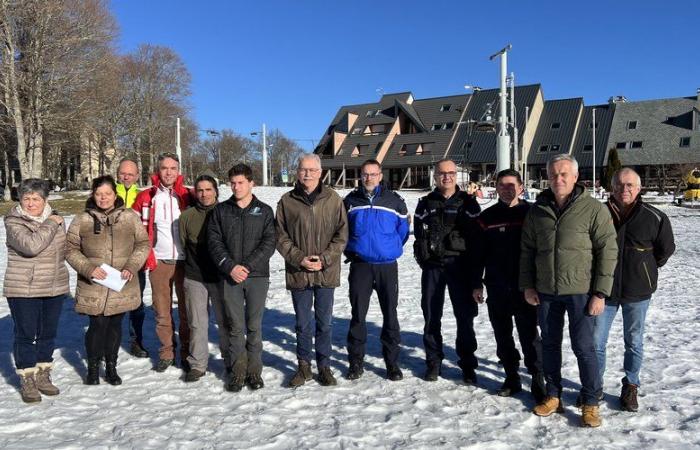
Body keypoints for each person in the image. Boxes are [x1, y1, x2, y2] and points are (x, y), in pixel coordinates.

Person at [520, 154, 618, 428]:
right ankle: (553, 395)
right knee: (549, 345)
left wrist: (600, 292)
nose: (558, 179)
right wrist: (528, 285)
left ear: (575, 177)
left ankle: (590, 402)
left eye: (564, 174)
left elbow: (607, 251)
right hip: (546, 290)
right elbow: (527, 251)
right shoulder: (538, 210)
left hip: (581, 291)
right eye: (553, 174)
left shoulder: (593, 209)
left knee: (584, 348)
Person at [594, 168, 675, 412]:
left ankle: (630, 385)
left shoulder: (655, 216)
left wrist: (645, 268)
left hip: (637, 291)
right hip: (603, 291)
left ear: (639, 188)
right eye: (619, 185)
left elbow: (666, 249)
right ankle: (594, 387)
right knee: (596, 342)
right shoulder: (599, 213)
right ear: (612, 188)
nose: (624, 189)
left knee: (634, 341)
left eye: (629, 185)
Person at [66, 176, 150, 386]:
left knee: (114, 325)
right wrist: (88, 268)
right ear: (93, 195)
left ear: (115, 194)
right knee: (97, 324)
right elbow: (69, 248)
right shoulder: (82, 219)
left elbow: (143, 244)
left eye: (107, 194)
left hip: (121, 282)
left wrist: (131, 266)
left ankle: (111, 366)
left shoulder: (130, 217)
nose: (103, 198)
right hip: (93, 283)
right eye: (98, 194)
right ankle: (93, 368)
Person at [471, 169, 545, 401]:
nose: (506, 189)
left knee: (529, 335)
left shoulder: (533, 214)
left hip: (526, 288)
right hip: (497, 286)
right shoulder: (487, 217)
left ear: (521, 187)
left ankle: (537, 378)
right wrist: (476, 283)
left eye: (511, 185)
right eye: (501, 185)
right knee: (502, 335)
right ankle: (511, 375)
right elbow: (477, 255)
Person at [276, 153, 348, 387]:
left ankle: (324, 366)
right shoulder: (287, 201)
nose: (307, 174)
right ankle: (303, 366)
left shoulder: (334, 199)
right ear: (297, 172)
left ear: (320, 172)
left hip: (325, 272)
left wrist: (325, 259)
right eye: (303, 169)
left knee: (324, 323)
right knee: (302, 323)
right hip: (299, 272)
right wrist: (299, 258)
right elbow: (280, 236)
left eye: (312, 170)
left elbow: (342, 235)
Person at [208, 164, 276, 392]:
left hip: (256, 276)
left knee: (254, 327)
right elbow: (214, 242)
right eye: (233, 183)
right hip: (230, 276)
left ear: (251, 183)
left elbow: (269, 243)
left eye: (241, 183)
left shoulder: (264, 211)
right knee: (235, 327)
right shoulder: (221, 211)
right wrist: (230, 266)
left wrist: (246, 266)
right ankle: (238, 372)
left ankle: (254, 372)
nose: (236, 187)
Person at [414, 159, 481, 383]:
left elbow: (476, 239)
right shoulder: (425, 203)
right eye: (442, 173)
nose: (447, 177)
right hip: (433, 268)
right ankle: (433, 361)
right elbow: (418, 234)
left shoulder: (468, 203)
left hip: (459, 266)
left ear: (456, 175)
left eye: (451, 173)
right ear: (435, 176)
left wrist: (475, 277)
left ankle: (468, 364)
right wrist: (424, 255)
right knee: (432, 315)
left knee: (464, 317)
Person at [4, 179, 70, 403]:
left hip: (54, 286)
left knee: (47, 334)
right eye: (26, 199)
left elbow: (65, 249)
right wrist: (51, 223)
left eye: (36, 199)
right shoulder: (14, 221)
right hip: (24, 288)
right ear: (20, 200)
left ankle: (43, 374)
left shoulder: (57, 220)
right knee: (26, 335)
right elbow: (31, 246)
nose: (31, 203)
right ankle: (27, 377)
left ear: (45, 200)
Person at [343, 159, 409, 381]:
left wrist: (388, 249)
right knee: (358, 315)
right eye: (365, 174)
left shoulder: (395, 201)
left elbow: (403, 232)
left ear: (381, 175)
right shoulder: (350, 201)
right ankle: (356, 362)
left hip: (386, 267)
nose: (369, 178)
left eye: (373, 174)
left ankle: (392, 364)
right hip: (360, 266)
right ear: (360, 176)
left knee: (390, 315)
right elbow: (342, 232)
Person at [132, 152, 194, 372]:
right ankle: (167, 352)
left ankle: (186, 352)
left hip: (186, 262)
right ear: (158, 171)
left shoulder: (188, 196)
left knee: (187, 310)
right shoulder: (147, 197)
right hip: (159, 262)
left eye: (173, 168)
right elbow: (133, 228)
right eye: (164, 168)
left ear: (179, 171)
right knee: (162, 310)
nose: (169, 172)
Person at [178, 175, 230, 383]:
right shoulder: (187, 216)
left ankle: (230, 358)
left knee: (226, 321)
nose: (204, 194)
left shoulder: (226, 212)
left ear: (216, 191)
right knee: (197, 322)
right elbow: (183, 243)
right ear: (194, 193)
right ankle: (198, 364)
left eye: (208, 189)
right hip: (195, 276)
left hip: (220, 276)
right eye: (200, 190)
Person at [116, 157, 149, 358]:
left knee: (136, 300)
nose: (126, 176)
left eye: (130, 173)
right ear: (118, 174)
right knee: (110, 300)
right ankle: (107, 341)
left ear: (137, 175)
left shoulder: (143, 195)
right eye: (123, 173)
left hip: (137, 257)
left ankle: (136, 340)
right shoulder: (108, 192)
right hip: (112, 256)